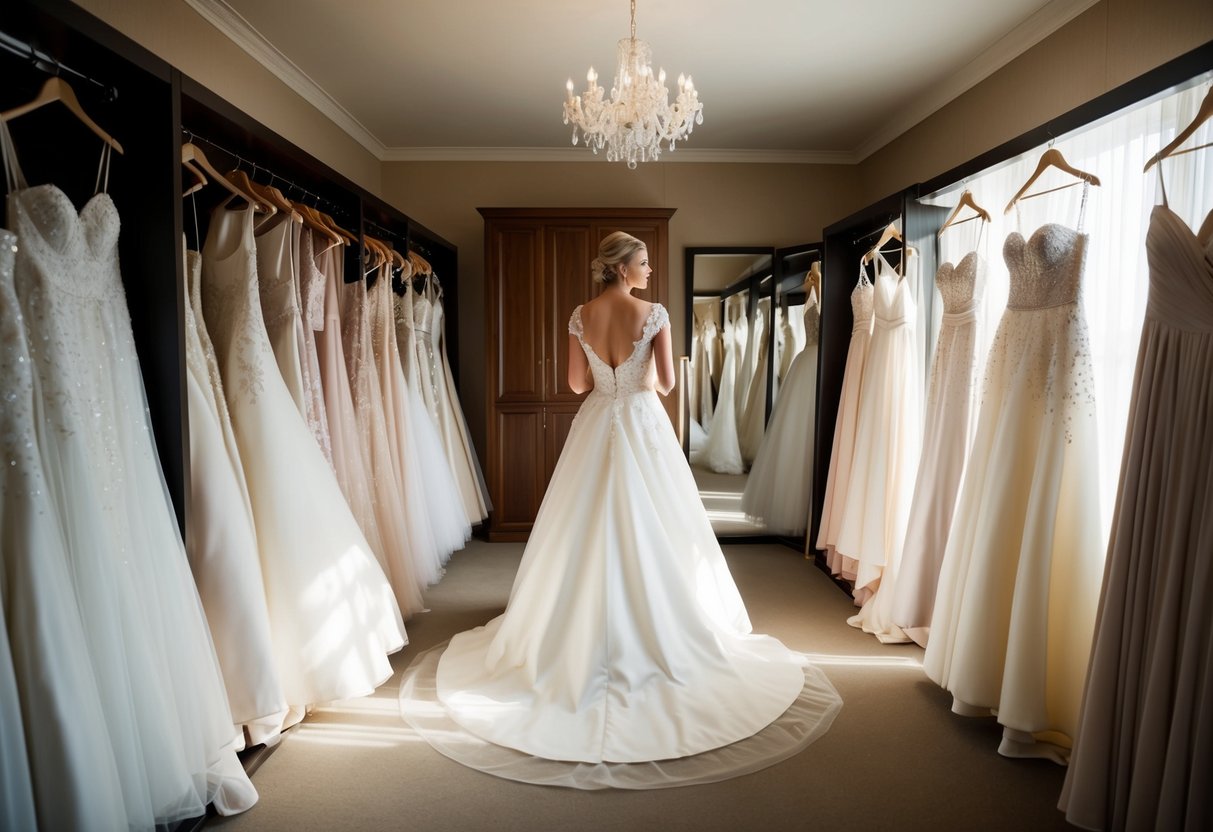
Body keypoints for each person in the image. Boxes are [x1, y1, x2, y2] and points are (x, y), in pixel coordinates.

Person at [399, 231, 841, 788]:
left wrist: (609, 376)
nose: (651, 270)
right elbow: (669, 382)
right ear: (623, 267)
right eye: (645, 262)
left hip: (595, 421)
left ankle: (572, 625)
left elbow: (575, 382)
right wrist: (641, 374)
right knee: (658, 526)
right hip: (641, 420)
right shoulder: (653, 314)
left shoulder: (580, 315)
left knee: (581, 527)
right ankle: (654, 623)